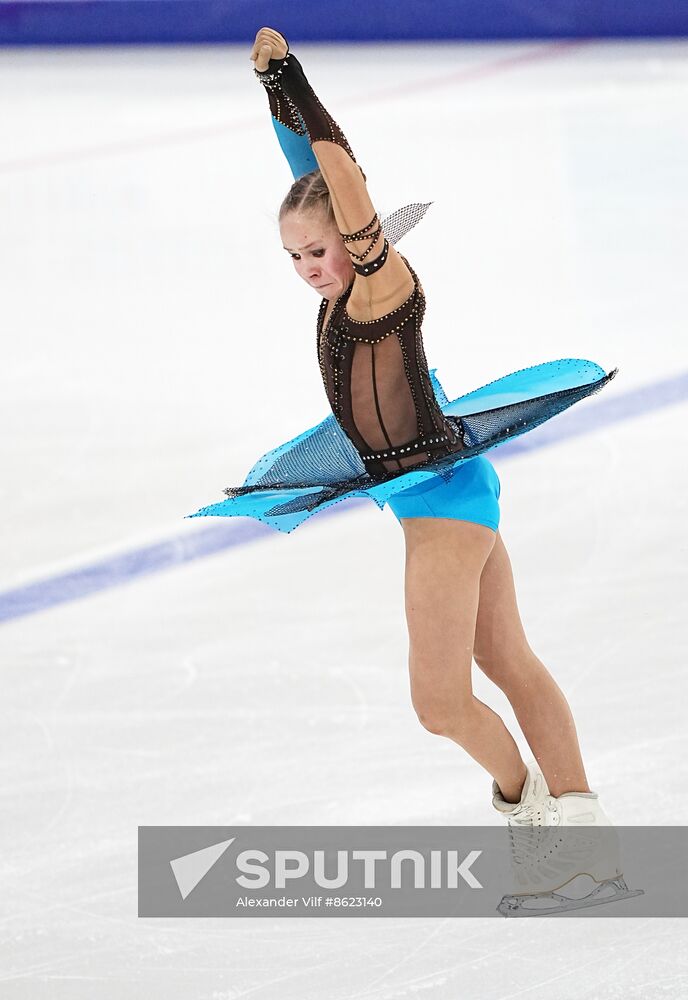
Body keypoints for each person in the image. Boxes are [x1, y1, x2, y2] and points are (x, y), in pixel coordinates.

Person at [186, 27, 639, 912]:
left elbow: (345, 186)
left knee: (439, 703)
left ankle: (540, 829)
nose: (308, 269)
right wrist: (279, 102)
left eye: (319, 251)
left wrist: (296, 76)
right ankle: (588, 847)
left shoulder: (381, 286)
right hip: (441, 494)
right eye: (294, 257)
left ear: (356, 242)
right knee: (508, 659)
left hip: (441, 503)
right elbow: (318, 169)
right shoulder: (339, 286)